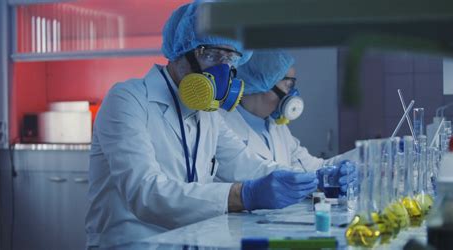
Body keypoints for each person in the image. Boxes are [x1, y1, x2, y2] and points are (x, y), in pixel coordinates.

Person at [85, 3, 321, 248]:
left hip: (190, 241)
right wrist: (244, 195)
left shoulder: (207, 113)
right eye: (211, 54)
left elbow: (245, 164)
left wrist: (314, 179)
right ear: (180, 50)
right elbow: (146, 193)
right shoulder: (128, 99)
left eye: (230, 58)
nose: (223, 69)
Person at [219, 50, 358, 196]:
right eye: (289, 85)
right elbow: (257, 171)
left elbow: (313, 167)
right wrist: (319, 178)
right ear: (264, 81)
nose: (293, 93)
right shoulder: (223, 123)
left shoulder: (276, 126)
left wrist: (362, 157)